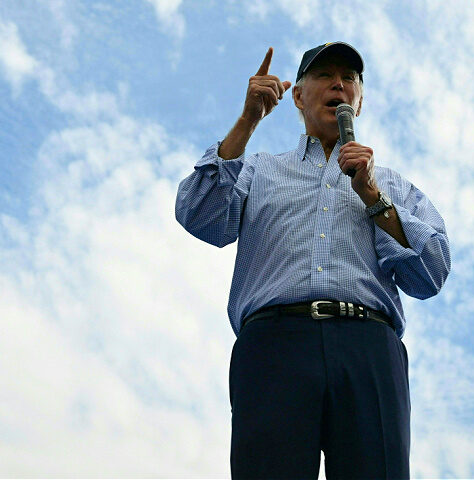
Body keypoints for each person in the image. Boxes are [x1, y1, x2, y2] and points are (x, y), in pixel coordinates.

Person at [175, 42, 450, 479]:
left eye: (349, 78)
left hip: (369, 348)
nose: (338, 84)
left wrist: (374, 199)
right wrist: (247, 121)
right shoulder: (259, 170)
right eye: (324, 75)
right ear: (298, 96)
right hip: (274, 344)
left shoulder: (391, 185)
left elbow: (431, 273)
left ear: (358, 101)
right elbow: (198, 215)